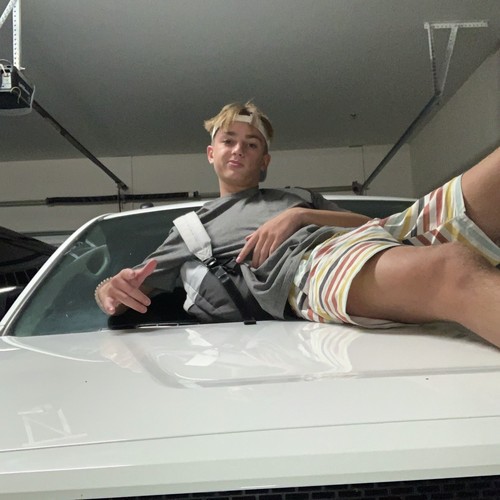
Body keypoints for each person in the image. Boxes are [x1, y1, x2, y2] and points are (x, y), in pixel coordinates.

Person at [95, 101, 500, 349]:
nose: (238, 149)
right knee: (450, 268)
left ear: (265, 161)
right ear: (211, 152)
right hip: (308, 269)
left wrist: (300, 214)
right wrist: (107, 289)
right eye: (229, 140)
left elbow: (368, 225)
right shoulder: (192, 227)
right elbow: (126, 290)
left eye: (251, 144)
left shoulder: (297, 196)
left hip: (378, 237)